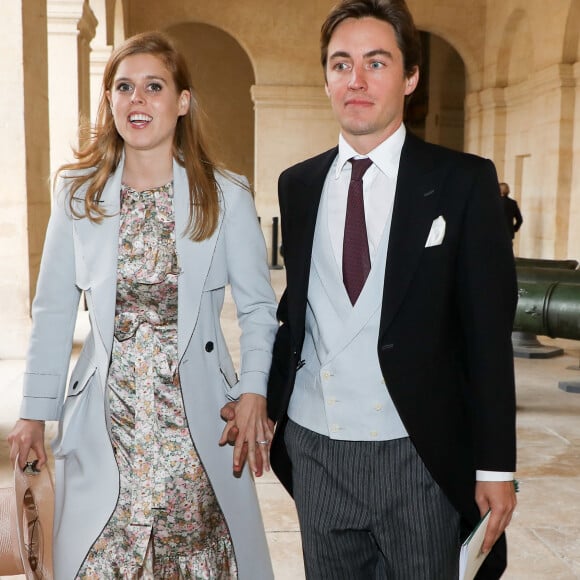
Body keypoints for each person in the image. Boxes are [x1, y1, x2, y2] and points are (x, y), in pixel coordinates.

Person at [222, 1, 518, 578]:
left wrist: (494, 467)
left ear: (410, 78)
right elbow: (299, 312)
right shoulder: (299, 184)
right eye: (340, 64)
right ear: (326, 77)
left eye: (376, 63)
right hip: (317, 450)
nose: (355, 80)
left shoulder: (462, 182)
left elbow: (486, 335)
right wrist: (259, 389)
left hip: (419, 454)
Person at [8, 31, 277, 579]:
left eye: (154, 87)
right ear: (110, 101)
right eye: (124, 87)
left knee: (195, 559)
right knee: (101, 558)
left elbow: (257, 309)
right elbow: (55, 311)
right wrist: (35, 411)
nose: (138, 99)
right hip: (108, 421)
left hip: (196, 426)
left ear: (182, 103)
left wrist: (254, 392)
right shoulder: (78, 195)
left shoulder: (225, 195)